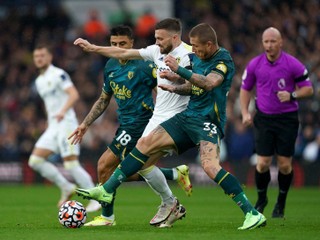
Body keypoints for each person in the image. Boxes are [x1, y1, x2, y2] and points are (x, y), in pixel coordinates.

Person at [74, 23, 267, 230]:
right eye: (191, 45)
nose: (193, 50)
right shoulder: (194, 57)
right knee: (145, 145)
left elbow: (209, 83)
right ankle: (109, 189)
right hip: (187, 117)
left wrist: (179, 70)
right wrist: (175, 83)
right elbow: (193, 87)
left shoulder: (222, 59)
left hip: (207, 121)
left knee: (210, 166)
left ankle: (251, 213)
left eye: (196, 46)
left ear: (209, 45)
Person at [71, 19, 193, 227]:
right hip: (125, 122)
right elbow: (103, 99)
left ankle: (107, 217)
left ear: (131, 44)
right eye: (114, 44)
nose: (117, 48)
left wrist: (165, 117)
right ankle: (173, 174)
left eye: (122, 44)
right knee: (126, 169)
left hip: (141, 122)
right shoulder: (110, 66)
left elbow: (162, 88)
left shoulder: (145, 64)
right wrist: (85, 124)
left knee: (104, 165)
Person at [240, 27, 314, 218]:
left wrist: (292, 95)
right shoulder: (255, 64)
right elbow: (245, 89)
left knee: (285, 166)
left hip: (287, 119)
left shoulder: (292, 64)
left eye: (273, 41)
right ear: (262, 43)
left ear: (281, 43)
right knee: (263, 163)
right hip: (264, 118)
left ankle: (281, 202)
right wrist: (245, 113)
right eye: (266, 41)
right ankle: (262, 198)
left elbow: (308, 89)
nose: (269, 45)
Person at [28, 44, 100, 212]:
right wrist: (50, 120)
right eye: (36, 57)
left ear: (49, 57)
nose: (39, 59)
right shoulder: (39, 81)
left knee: (71, 164)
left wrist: (61, 111)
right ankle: (66, 186)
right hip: (53, 126)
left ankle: (96, 198)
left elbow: (74, 94)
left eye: (42, 56)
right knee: (35, 161)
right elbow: (49, 104)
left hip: (67, 123)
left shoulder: (58, 74)